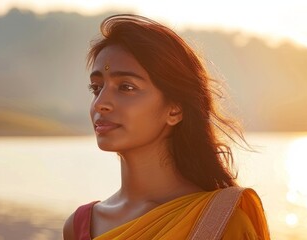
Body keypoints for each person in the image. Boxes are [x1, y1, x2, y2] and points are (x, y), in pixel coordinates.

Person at [63, 14, 270, 240]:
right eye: (96, 88)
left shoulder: (218, 220)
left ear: (174, 109)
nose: (100, 103)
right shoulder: (81, 224)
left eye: (126, 87)